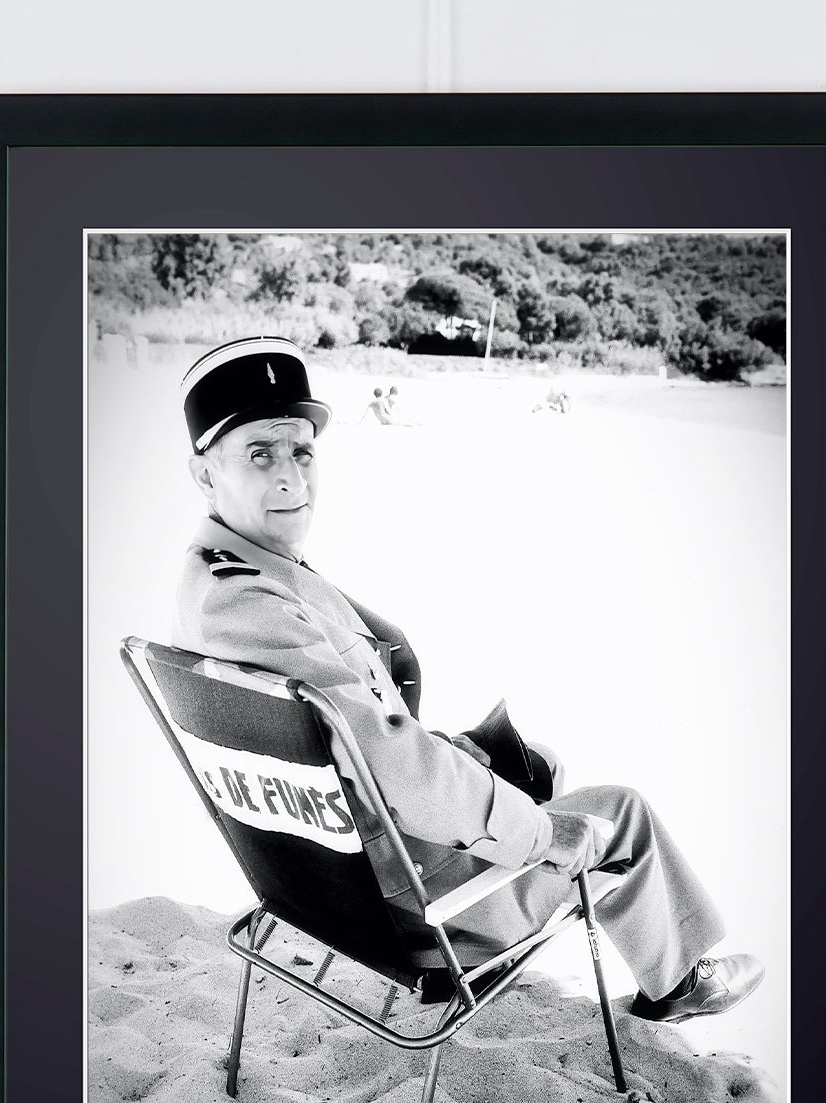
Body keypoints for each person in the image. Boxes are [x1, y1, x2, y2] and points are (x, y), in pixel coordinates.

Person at [169, 336, 762, 1022]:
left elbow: (347, 737)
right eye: (259, 454)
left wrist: (456, 752)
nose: (291, 480)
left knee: (536, 766)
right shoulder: (246, 603)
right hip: (412, 911)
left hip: (324, 880)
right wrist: (543, 837)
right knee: (619, 817)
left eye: (301, 452)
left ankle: (543, 851)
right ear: (205, 473)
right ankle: (680, 983)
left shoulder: (219, 573)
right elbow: (388, 765)